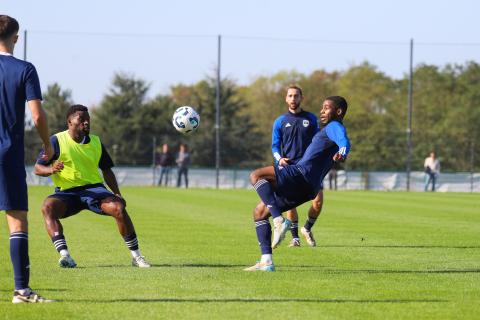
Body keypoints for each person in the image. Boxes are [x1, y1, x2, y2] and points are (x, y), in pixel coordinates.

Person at [34, 104, 151, 269]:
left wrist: (117, 193)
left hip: (95, 190)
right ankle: (65, 256)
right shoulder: (56, 140)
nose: (86, 122)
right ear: (69, 122)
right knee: (47, 207)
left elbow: (107, 170)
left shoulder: (96, 142)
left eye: (88, 119)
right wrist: (51, 169)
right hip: (67, 193)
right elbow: (38, 168)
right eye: (81, 119)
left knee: (118, 208)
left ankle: (137, 257)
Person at [244, 96, 350, 271]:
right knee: (260, 212)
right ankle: (266, 262)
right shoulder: (329, 129)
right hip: (309, 188)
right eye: (322, 107)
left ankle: (279, 220)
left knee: (256, 175)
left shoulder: (334, 127)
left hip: (301, 174)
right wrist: (342, 152)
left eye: (326, 108)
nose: (322, 111)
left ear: (338, 112)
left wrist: (343, 152)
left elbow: (344, 141)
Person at [0, 15, 54, 303]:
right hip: (7, 155)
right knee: (17, 221)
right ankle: (22, 290)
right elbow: (36, 115)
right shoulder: (24, 69)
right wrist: (47, 145)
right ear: (16, 38)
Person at [271, 85, 323, 248]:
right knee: (291, 203)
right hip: (289, 167)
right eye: (290, 96)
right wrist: (279, 159)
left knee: (318, 202)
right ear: (286, 99)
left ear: (302, 98)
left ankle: (306, 228)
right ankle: (295, 238)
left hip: (310, 168)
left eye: (296, 96)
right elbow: (274, 146)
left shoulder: (312, 119)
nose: (293, 99)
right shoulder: (280, 121)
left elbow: (320, 141)